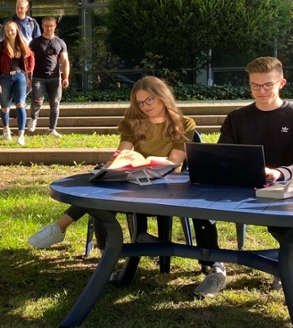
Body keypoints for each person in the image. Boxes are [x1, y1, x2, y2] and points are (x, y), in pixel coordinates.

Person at [193, 56, 293, 297]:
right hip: (240, 185)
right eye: (254, 85)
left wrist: (278, 172)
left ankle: (287, 266)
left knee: (286, 225)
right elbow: (224, 155)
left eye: (267, 85)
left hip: (284, 188)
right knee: (199, 211)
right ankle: (216, 267)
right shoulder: (237, 118)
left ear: (282, 83)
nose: (261, 91)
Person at [29, 76, 196, 248]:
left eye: (149, 100)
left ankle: (61, 227)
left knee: (102, 192)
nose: (145, 106)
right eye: (140, 103)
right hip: (132, 178)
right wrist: (120, 162)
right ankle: (103, 253)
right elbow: (122, 153)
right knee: (102, 189)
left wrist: (145, 163)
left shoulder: (184, 124)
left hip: (162, 181)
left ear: (162, 96)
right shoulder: (133, 122)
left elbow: (174, 162)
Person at [0, 21, 35, 146]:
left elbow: (31, 56)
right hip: (5, 78)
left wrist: (29, 70)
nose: (10, 33)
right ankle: (6, 129)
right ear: (4, 32)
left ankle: (21, 135)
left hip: (19, 77)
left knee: (20, 105)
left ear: (16, 31)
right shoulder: (0, 46)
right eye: (7, 31)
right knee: (5, 106)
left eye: (12, 30)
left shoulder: (22, 45)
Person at [28, 17, 70, 137]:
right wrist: (28, 75)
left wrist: (66, 77)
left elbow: (65, 61)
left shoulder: (60, 43)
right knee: (38, 100)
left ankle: (52, 129)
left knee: (55, 103)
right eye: (46, 26)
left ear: (55, 26)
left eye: (51, 26)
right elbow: (28, 60)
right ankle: (33, 118)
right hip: (38, 77)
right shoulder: (35, 42)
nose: (48, 28)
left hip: (55, 77)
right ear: (42, 26)